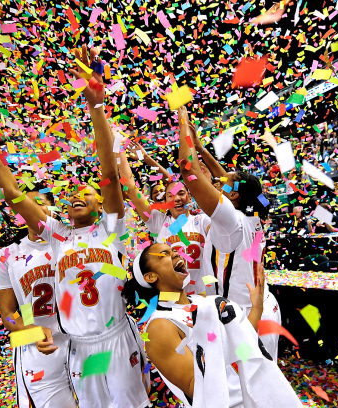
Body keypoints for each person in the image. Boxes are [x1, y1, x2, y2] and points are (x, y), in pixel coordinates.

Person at [0, 43, 150, 408]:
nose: (78, 195)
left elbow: (109, 173)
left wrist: (95, 104)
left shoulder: (111, 228)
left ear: (101, 205)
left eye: (88, 193)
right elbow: (10, 188)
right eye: (74, 193)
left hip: (118, 337)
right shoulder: (57, 234)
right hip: (78, 347)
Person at [121, 243, 302, 408]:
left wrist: (257, 308)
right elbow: (197, 388)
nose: (176, 254)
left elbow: (241, 346)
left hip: (253, 397)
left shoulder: (203, 302)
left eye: (174, 250)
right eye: (164, 254)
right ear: (151, 276)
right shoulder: (160, 327)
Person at [177, 106, 281, 361]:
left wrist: (183, 126)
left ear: (233, 194)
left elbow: (189, 172)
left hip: (243, 316)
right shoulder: (251, 213)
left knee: (240, 389)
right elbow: (225, 177)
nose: (216, 181)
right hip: (261, 305)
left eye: (222, 183)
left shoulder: (230, 221)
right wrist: (201, 149)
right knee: (260, 381)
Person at [0, 185, 76, 408]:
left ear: (53, 209)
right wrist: (29, 331)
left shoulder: (74, 242)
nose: (29, 209)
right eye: (23, 204)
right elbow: (8, 315)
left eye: (38, 202)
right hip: (36, 349)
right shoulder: (7, 255)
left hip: (83, 342)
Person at [118, 130, 212, 296]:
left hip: (204, 297)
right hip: (172, 299)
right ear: (165, 201)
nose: (176, 198)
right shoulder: (158, 222)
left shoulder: (202, 220)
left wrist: (147, 159)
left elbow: (174, 181)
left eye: (181, 194)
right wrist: (119, 151)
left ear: (189, 196)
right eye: (170, 196)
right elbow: (131, 189)